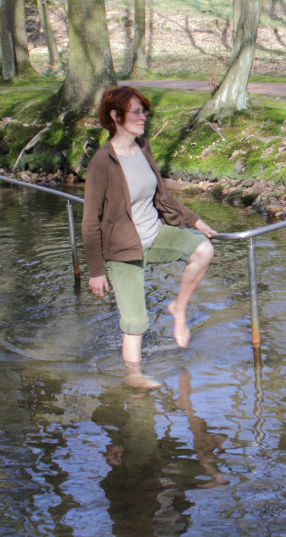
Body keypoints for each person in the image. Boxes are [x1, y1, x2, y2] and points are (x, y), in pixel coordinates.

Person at [82, 86, 216, 388]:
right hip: (121, 250)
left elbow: (162, 196)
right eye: (136, 112)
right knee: (136, 324)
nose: (144, 117)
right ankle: (134, 377)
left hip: (154, 236)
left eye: (144, 111)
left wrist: (194, 220)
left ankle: (178, 308)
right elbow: (90, 221)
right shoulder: (102, 163)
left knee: (203, 250)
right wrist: (95, 271)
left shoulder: (143, 148)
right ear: (115, 116)